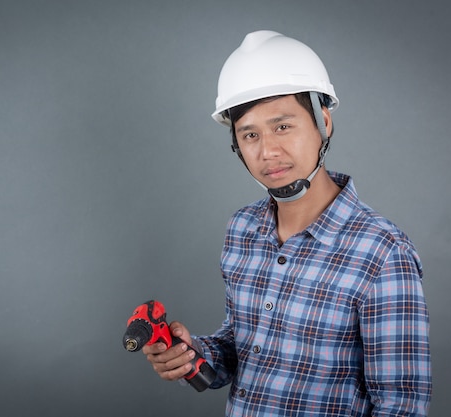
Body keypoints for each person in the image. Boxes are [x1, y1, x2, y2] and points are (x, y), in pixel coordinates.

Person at [142, 30, 432, 416]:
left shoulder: (382, 253)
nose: (268, 151)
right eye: (250, 134)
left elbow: (402, 406)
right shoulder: (243, 229)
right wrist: (193, 354)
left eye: (283, 126)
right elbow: (241, 346)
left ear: (323, 122)